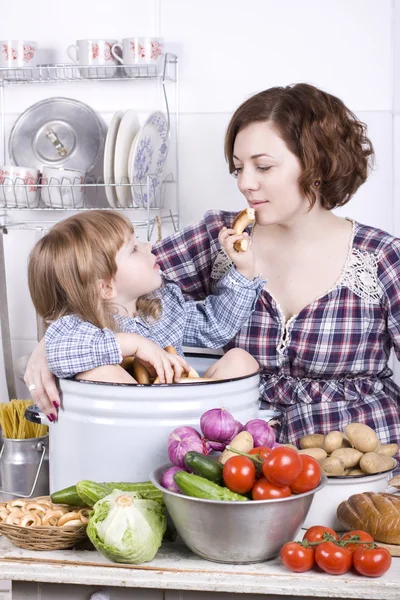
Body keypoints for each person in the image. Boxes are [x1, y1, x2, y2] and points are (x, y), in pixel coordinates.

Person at [25, 82, 400, 458]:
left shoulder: (382, 257)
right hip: (238, 465)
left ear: (317, 164)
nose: (245, 184)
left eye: (263, 166)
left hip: (359, 458)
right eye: (238, 168)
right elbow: (98, 279)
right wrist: (47, 350)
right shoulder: (217, 239)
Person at [26, 210, 261, 419]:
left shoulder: (162, 307)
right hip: (131, 431)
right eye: (134, 249)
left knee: (240, 359)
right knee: (101, 372)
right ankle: (160, 433)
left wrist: (244, 271)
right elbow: (56, 352)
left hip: (184, 413)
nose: (149, 247)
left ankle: (208, 431)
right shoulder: (79, 326)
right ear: (106, 287)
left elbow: (216, 327)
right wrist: (134, 344)